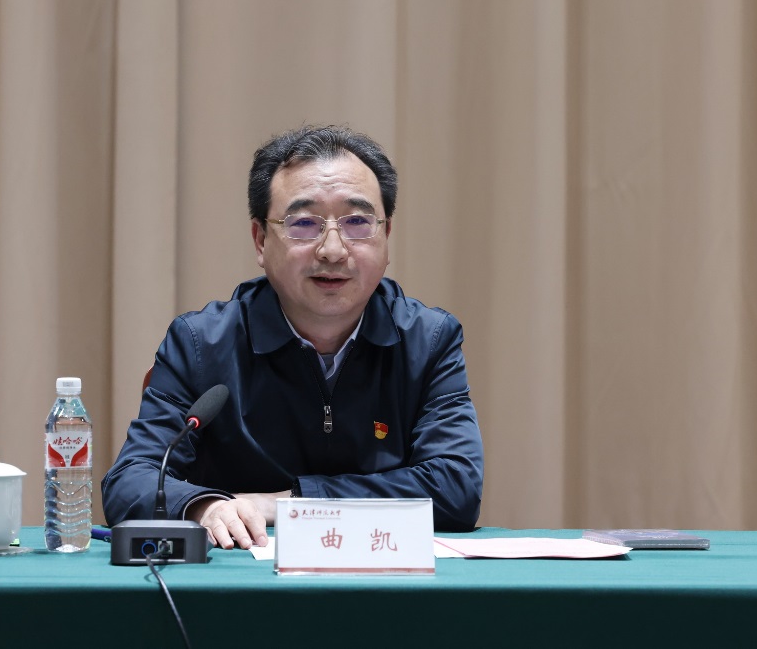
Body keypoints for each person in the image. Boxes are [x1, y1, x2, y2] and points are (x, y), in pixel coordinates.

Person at [101, 125, 483, 550]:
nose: (333, 249)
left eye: (358, 222)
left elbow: (456, 488)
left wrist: (289, 503)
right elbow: (130, 481)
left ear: (386, 236)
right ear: (260, 240)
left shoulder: (428, 341)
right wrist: (203, 507)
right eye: (303, 224)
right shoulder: (200, 344)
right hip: (236, 580)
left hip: (386, 578)